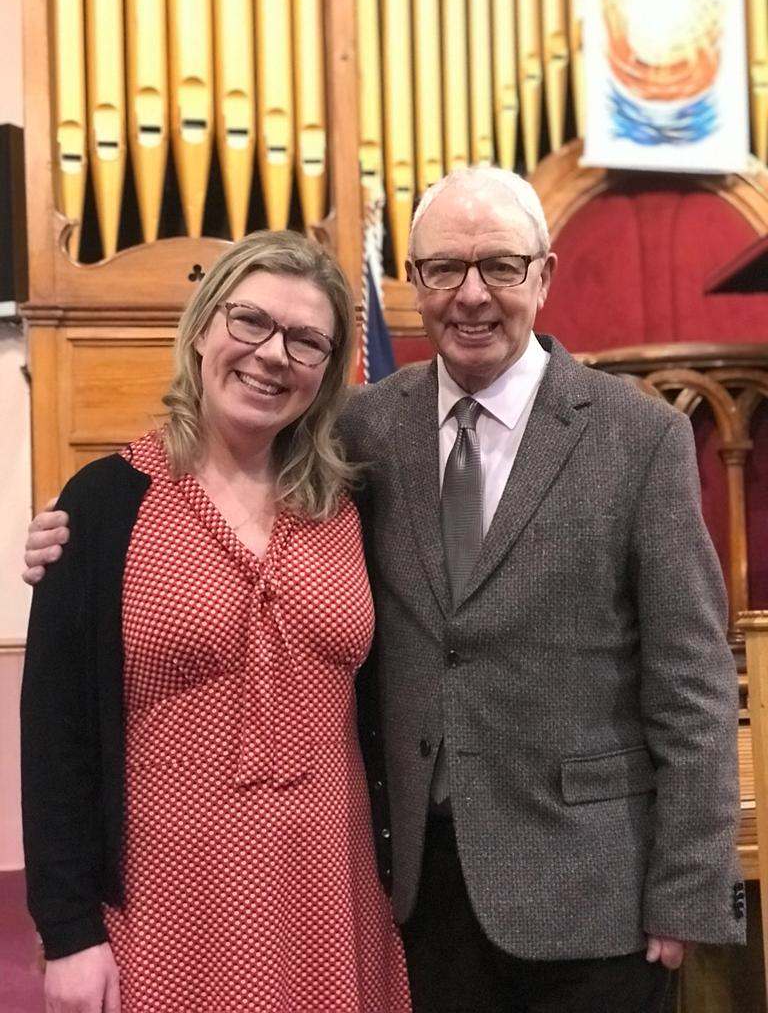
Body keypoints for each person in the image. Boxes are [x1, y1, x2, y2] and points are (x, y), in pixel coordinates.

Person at [25, 168, 745, 1013]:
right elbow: (69, 716)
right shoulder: (363, 434)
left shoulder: (640, 436)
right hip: (412, 891)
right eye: (443, 268)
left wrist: (690, 888)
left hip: (589, 894)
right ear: (413, 280)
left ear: (543, 276)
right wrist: (64, 544)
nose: (471, 294)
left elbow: (691, 684)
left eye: (502, 267)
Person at [20, 230, 411, 1013]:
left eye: (307, 341)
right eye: (251, 322)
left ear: (328, 373)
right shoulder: (103, 505)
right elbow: (56, 734)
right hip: (171, 901)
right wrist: (67, 930)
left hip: (332, 891)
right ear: (203, 328)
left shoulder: (351, 506)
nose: (274, 354)